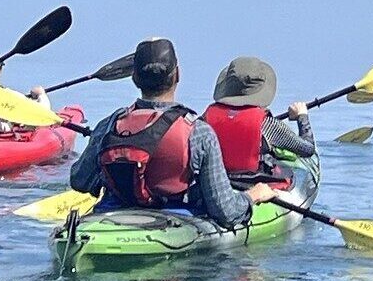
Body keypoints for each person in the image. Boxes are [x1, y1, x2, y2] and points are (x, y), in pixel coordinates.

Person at [68, 38, 282, 227]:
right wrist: (252, 196)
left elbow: (79, 181)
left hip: (108, 217)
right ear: (177, 74)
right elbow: (226, 212)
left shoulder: (108, 125)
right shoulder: (198, 133)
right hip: (176, 222)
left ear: (134, 79)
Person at [202, 56, 316, 188]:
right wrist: (302, 116)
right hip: (254, 185)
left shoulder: (206, 118)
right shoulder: (268, 124)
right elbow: (308, 149)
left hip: (216, 183)